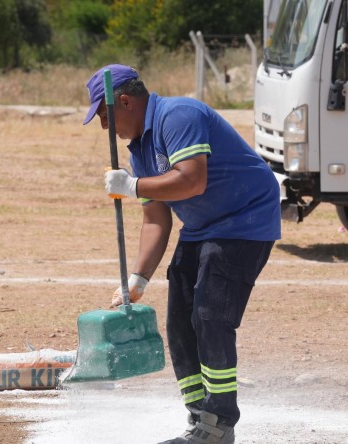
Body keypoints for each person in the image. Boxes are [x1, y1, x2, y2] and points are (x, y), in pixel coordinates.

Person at [83, 64, 281, 444]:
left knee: (210, 316)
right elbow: (156, 218)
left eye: (105, 116)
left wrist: (134, 184)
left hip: (245, 220)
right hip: (203, 227)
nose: (105, 128)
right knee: (179, 321)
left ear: (124, 101)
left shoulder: (179, 115)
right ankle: (198, 419)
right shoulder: (141, 146)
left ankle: (218, 425)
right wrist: (137, 279)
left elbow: (193, 179)